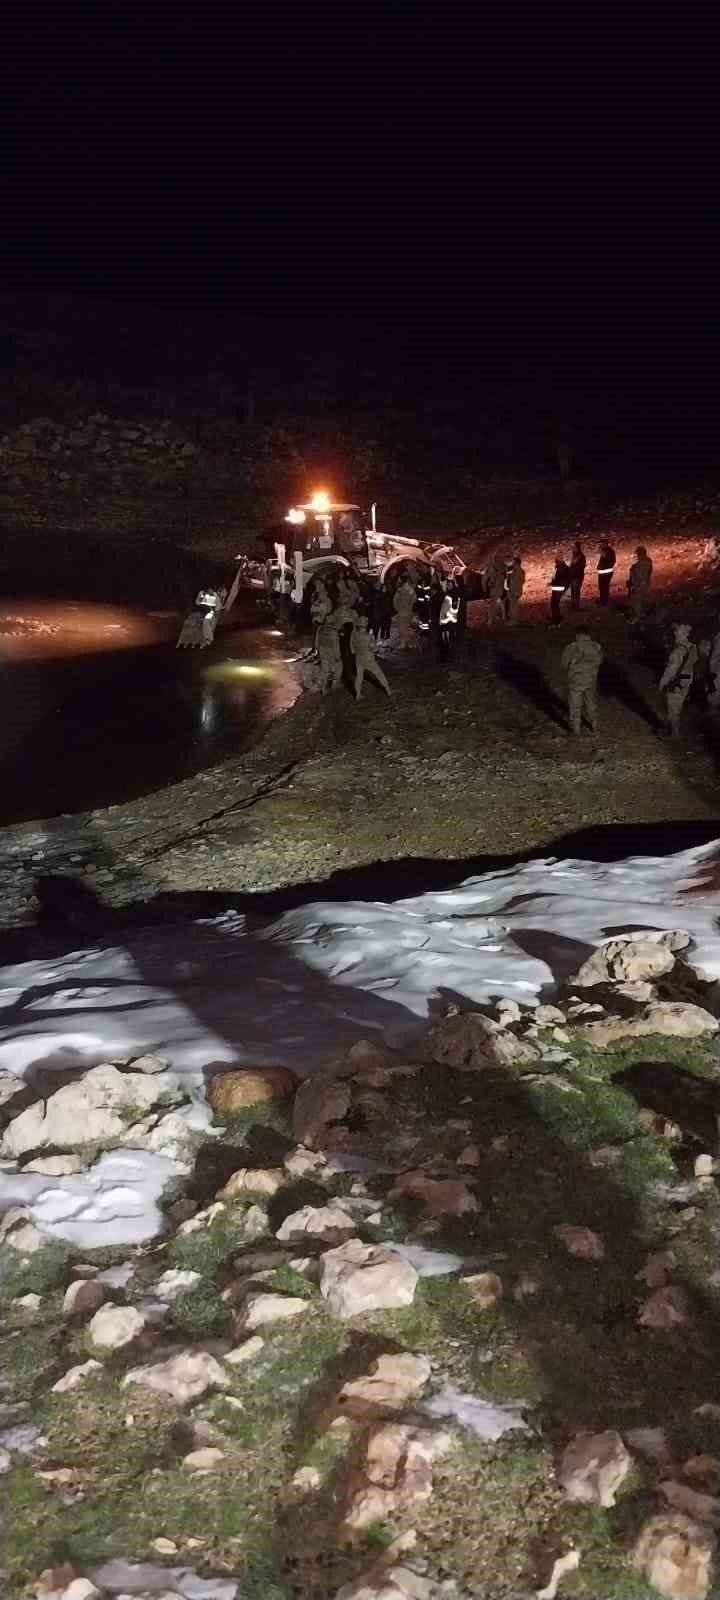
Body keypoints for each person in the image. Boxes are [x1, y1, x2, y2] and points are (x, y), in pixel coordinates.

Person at [561, 626, 603, 736]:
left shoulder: (571, 647)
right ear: (588, 634)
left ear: (577, 635)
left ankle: (576, 730)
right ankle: (594, 726)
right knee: (591, 703)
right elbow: (599, 662)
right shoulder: (596, 647)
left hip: (576, 681)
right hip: (591, 681)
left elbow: (564, 664)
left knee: (575, 706)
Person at [659, 623, 697, 737]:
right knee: (677, 706)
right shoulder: (692, 647)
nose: (675, 633)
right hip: (687, 681)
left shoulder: (678, 650)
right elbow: (694, 662)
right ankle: (671, 730)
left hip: (676, 681)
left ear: (682, 633)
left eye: (677, 631)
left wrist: (663, 682)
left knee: (672, 707)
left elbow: (671, 669)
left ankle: (674, 734)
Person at [350, 616, 391, 700]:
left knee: (359, 677)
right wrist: (376, 645)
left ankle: (358, 695)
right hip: (369, 658)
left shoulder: (353, 634)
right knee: (379, 674)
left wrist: (355, 652)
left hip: (358, 658)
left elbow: (351, 646)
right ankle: (388, 690)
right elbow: (374, 649)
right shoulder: (369, 636)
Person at [316, 616, 343, 694]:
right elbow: (336, 645)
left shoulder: (320, 628)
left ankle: (323, 688)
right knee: (338, 668)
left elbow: (316, 641)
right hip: (331, 652)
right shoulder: (333, 631)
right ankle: (334, 685)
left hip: (322, 651)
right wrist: (338, 656)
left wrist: (318, 651)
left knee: (324, 670)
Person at [628, 545, 653, 620]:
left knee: (637, 601)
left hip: (639, 585)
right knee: (643, 599)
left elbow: (638, 576)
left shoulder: (640, 563)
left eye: (638, 553)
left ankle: (638, 616)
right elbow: (648, 573)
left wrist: (633, 584)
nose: (637, 555)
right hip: (645, 583)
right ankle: (644, 614)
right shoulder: (648, 560)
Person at [393, 575, 416, 649]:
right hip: (409, 612)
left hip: (401, 612)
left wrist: (397, 609)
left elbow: (395, 600)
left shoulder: (399, 590)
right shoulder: (411, 589)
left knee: (402, 628)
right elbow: (414, 599)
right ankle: (410, 643)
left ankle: (403, 643)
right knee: (408, 627)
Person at [438, 584, 460, 657]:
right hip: (447, 620)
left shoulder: (453, 596)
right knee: (447, 637)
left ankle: (449, 652)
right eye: (447, 584)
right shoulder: (448, 595)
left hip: (449, 620)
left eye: (450, 584)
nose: (448, 586)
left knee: (449, 638)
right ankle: (448, 651)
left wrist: (447, 615)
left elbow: (454, 609)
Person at [549, 554, 571, 625]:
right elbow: (556, 578)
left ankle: (556, 619)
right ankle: (557, 617)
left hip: (558, 588)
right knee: (555, 604)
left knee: (554, 604)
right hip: (558, 588)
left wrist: (553, 583)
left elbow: (561, 579)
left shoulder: (562, 568)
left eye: (556, 561)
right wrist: (552, 583)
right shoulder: (561, 567)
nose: (555, 562)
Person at [484, 554, 506, 624]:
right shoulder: (491, 569)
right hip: (495, 590)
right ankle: (492, 619)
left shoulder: (503, 568)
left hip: (500, 589)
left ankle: (501, 617)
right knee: (494, 604)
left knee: (500, 603)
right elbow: (486, 580)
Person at [504, 556, 526, 624]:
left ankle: (514, 620)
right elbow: (522, 581)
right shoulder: (521, 571)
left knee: (513, 606)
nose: (512, 563)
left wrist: (511, 588)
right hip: (517, 590)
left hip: (514, 591)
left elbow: (515, 582)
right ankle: (514, 619)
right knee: (513, 605)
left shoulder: (516, 571)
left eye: (513, 562)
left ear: (516, 563)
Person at [597, 539, 616, 606]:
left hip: (606, 573)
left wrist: (604, 566)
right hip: (602, 572)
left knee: (604, 587)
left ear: (605, 544)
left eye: (602, 544)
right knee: (601, 587)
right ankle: (602, 600)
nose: (600, 545)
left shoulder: (610, 551)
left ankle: (604, 601)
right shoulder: (604, 551)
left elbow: (612, 561)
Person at [569, 541, 586, 609]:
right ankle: (573, 604)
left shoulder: (581, 556)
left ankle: (576, 605)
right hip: (572, 576)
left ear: (577, 548)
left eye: (574, 547)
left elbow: (581, 567)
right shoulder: (574, 556)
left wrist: (574, 569)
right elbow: (572, 566)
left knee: (576, 591)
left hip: (577, 577)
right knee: (573, 590)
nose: (572, 548)